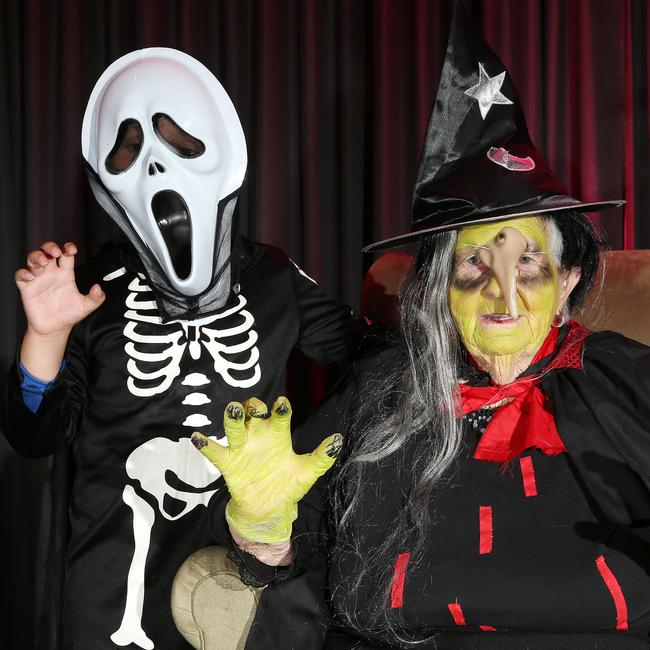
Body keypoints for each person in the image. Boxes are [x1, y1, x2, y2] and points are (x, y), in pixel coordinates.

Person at [190, 4, 650, 649]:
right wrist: (261, 526)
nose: (504, 294)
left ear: (568, 280)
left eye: (530, 264)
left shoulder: (630, 379)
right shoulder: (379, 392)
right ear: (438, 291)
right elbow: (287, 550)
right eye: (473, 266)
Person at [1, 48, 366, 650]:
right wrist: (46, 333)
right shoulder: (90, 289)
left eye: (178, 140)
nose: (155, 169)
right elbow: (34, 435)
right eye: (129, 149)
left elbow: (372, 360)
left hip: (248, 584)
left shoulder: (270, 276)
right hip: (113, 598)